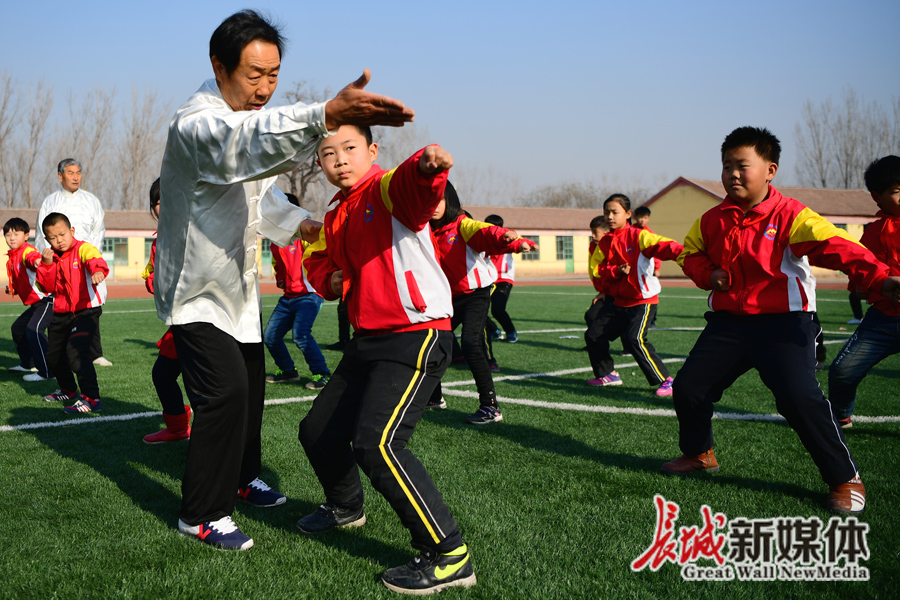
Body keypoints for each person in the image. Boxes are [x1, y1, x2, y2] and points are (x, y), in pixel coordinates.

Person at [155, 9, 414, 552]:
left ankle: (242, 478)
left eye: (273, 75)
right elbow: (242, 146)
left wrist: (302, 222)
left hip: (237, 291)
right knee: (224, 394)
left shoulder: (243, 119)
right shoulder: (196, 123)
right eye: (254, 74)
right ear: (218, 66)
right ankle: (201, 512)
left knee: (249, 393)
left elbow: (258, 196)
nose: (265, 87)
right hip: (194, 291)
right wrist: (323, 113)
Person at [664, 126, 900, 517]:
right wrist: (708, 274)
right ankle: (698, 453)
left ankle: (845, 478)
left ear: (770, 170)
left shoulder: (792, 215)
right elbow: (690, 254)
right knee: (689, 387)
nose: (733, 174)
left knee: (798, 399)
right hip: (728, 324)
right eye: (726, 167)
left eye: (742, 166)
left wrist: (878, 277)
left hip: (786, 325)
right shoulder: (711, 219)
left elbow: (836, 247)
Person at [298, 124, 476, 595]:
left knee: (377, 444)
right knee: (317, 431)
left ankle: (449, 554)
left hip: (415, 334)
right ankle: (346, 507)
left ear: (372, 151)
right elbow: (317, 262)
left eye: (349, 148)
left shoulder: (386, 186)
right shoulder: (336, 212)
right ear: (319, 163)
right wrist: (329, 281)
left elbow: (415, 188)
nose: (339, 159)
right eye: (328, 153)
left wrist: (428, 166)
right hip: (368, 340)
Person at [428, 183, 536, 424]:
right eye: (428, 200)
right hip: (447, 297)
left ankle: (490, 406)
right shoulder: (424, 230)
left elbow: (487, 232)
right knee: (433, 344)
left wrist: (513, 241)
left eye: (439, 200)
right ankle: (435, 398)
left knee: (470, 343)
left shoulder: (462, 224)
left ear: (451, 201)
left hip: (476, 294)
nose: (433, 206)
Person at [583, 194, 682, 396]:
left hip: (643, 301)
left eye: (614, 212)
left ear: (628, 214)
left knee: (634, 339)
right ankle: (608, 374)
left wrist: (685, 253)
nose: (609, 216)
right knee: (593, 335)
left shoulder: (640, 236)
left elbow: (665, 246)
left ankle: (667, 380)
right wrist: (615, 273)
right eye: (606, 212)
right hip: (619, 302)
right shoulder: (605, 242)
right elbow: (598, 271)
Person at [829, 155, 900, 428]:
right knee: (841, 372)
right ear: (877, 197)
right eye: (896, 191)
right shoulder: (871, 234)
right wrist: (871, 285)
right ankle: (841, 415)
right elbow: (856, 285)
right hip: (881, 320)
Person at [35, 159, 112, 367]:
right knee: (62, 311)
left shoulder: (91, 200)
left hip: (86, 262)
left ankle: (96, 353)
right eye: (71, 173)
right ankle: (62, 352)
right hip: (60, 266)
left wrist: (89, 258)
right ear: (60, 176)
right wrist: (47, 261)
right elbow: (42, 236)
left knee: (91, 309)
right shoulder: (50, 202)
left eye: (78, 172)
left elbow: (99, 231)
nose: (76, 177)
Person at [36, 213, 108, 413]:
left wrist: (97, 270)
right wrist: (47, 265)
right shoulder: (49, 257)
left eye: (62, 234)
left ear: (72, 231)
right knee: (54, 356)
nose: (59, 240)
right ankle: (68, 390)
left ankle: (91, 399)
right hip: (60, 313)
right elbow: (45, 287)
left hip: (86, 311)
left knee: (76, 353)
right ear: (47, 239)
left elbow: (95, 259)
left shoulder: (83, 248)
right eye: (53, 237)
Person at [141, 179, 191, 444]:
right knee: (162, 374)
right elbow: (154, 279)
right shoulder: (159, 239)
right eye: (159, 202)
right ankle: (178, 428)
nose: (164, 207)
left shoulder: (194, 232)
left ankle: (214, 441)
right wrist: (153, 281)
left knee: (201, 384)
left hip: (201, 321)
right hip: (179, 321)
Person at [263, 193, 330, 388]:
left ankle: (321, 373)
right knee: (270, 337)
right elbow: (278, 264)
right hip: (289, 297)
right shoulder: (276, 240)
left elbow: (322, 245)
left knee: (300, 335)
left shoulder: (305, 235)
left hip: (309, 295)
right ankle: (288, 371)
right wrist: (281, 278)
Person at [4, 217, 53, 381]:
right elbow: (24, 278)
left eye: (16, 234)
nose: (11, 238)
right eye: (8, 234)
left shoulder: (26, 251)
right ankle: (28, 364)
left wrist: (41, 262)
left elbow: (33, 258)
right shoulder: (13, 256)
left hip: (48, 301)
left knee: (34, 330)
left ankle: (48, 372)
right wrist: (12, 288)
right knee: (18, 329)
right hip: (36, 304)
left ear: (26, 236)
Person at [483, 214, 519, 343]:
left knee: (497, 309)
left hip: (503, 279)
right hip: (487, 279)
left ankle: (511, 332)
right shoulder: (483, 240)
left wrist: (529, 245)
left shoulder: (507, 238)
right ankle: (494, 330)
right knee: (477, 310)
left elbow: (517, 239)